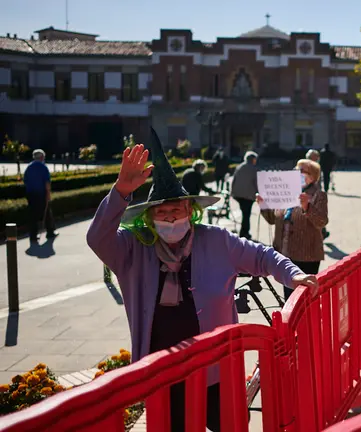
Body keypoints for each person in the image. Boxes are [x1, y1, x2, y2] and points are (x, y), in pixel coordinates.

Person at [86, 129, 317, 432]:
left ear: (191, 211)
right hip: (160, 371)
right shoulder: (133, 247)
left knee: (230, 424)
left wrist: (294, 274)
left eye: (177, 209)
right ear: (150, 217)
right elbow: (97, 239)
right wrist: (120, 193)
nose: (170, 217)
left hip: (217, 370)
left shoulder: (216, 240)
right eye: (162, 211)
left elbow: (263, 256)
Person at [258, 159, 328, 300]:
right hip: (285, 254)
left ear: (312, 176)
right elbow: (273, 219)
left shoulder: (318, 195)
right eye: (296, 170)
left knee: (304, 299)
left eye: (302, 171)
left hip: (306, 255)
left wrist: (307, 206)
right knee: (289, 298)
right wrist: (263, 205)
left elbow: (322, 221)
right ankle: (290, 323)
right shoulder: (286, 192)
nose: (297, 173)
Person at [24, 149, 57, 242]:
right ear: (42, 157)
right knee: (46, 212)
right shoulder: (43, 167)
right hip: (41, 193)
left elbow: (25, 181)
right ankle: (50, 232)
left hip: (30, 194)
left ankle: (33, 236)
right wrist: (48, 194)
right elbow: (47, 183)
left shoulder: (29, 167)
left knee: (32, 215)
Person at [231, 151, 259, 240]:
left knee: (245, 213)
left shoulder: (239, 167)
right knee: (246, 214)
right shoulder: (253, 169)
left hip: (238, 194)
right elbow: (257, 183)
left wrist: (232, 192)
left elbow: (234, 180)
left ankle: (244, 232)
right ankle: (244, 233)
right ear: (253, 159)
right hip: (248, 196)